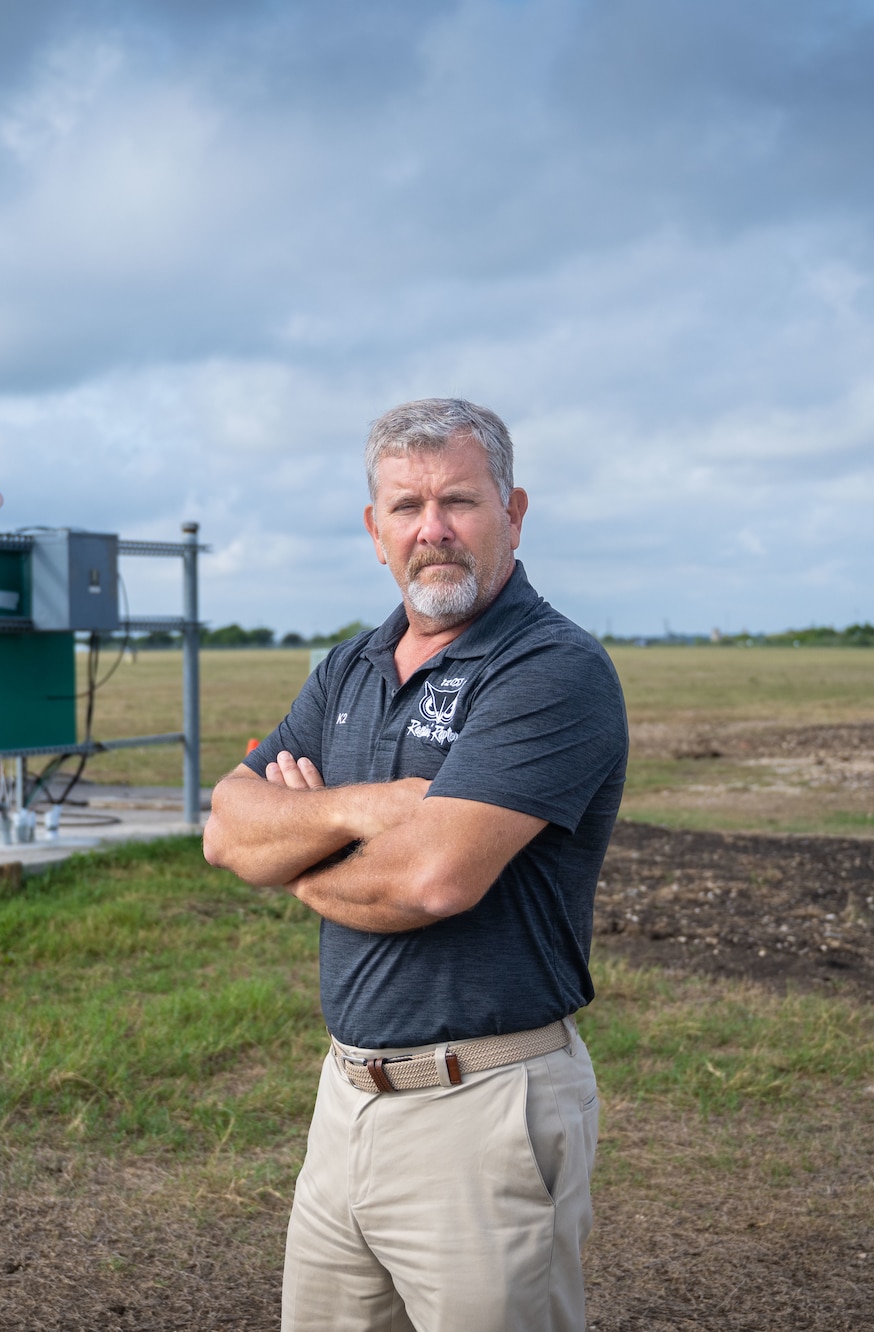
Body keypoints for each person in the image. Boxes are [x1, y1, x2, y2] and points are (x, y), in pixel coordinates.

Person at [202, 398, 629, 1331]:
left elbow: (432, 880)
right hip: (345, 1100)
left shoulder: (551, 669)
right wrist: (369, 808)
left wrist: (300, 852)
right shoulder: (349, 669)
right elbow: (228, 829)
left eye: (460, 502)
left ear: (513, 515)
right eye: (405, 507)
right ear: (374, 529)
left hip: (483, 1108)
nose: (431, 530)